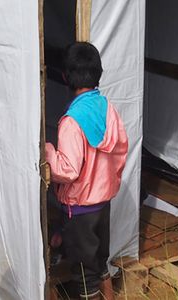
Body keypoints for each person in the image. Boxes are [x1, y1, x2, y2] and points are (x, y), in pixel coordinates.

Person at [45, 42, 129, 299]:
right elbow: (121, 149)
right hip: (102, 203)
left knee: (84, 276)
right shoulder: (108, 108)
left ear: (65, 76)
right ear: (98, 73)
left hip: (80, 209)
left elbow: (67, 171)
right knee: (99, 263)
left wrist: (48, 150)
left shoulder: (72, 121)